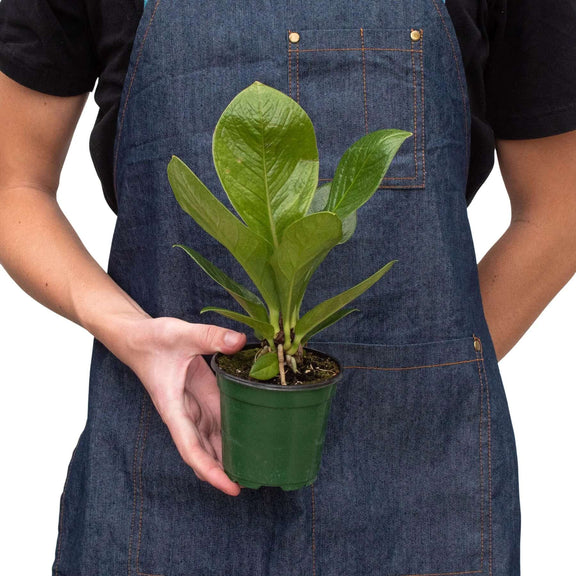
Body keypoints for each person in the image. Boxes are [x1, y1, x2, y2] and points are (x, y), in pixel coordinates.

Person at [0, 0, 575, 574]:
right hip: (169, 456)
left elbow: (559, 207)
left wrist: (433, 377)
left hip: (423, 480)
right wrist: (127, 331)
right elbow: (13, 184)